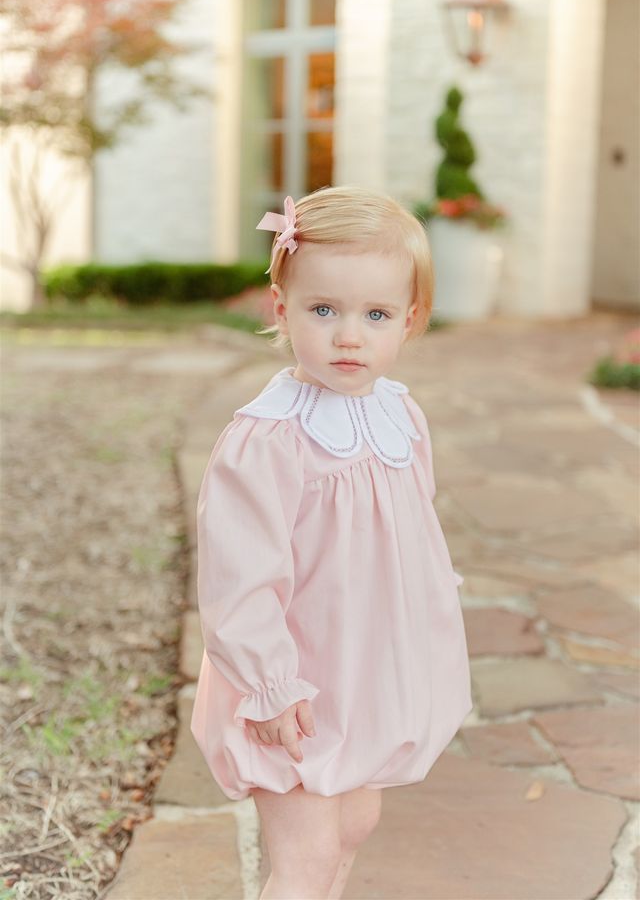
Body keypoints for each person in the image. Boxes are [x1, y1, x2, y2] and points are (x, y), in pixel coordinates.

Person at [190, 186, 473, 899]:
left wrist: (428, 620)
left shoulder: (401, 417)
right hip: (296, 688)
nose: (350, 335)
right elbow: (241, 579)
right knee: (307, 855)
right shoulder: (268, 440)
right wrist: (271, 686)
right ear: (282, 311)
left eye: (375, 315)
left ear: (411, 321)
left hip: (366, 674)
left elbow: (414, 534)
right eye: (324, 310)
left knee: (353, 826)